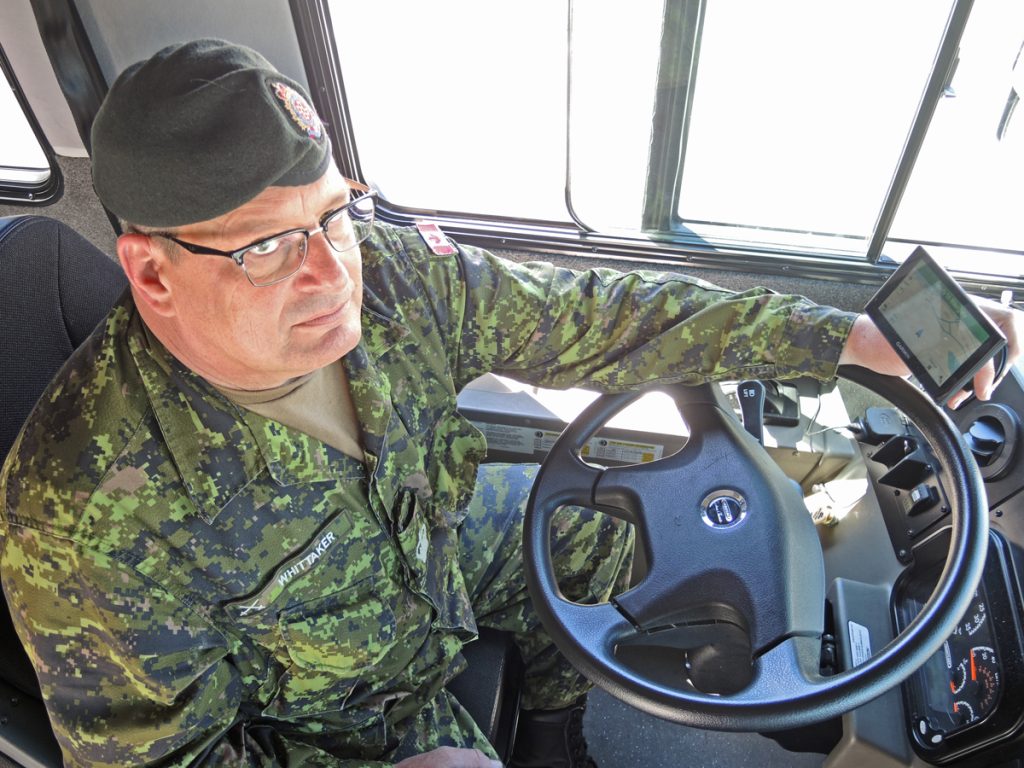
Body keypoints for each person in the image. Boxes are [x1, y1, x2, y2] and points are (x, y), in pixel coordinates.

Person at [0, 39, 1018, 768]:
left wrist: (837, 335)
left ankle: (553, 728)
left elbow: (605, 315)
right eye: (265, 245)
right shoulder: (84, 519)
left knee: (614, 531)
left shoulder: (388, 272)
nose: (328, 275)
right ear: (153, 270)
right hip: (341, 709)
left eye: (332, 213)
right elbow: (168, 757)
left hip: (439, 540)